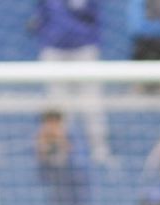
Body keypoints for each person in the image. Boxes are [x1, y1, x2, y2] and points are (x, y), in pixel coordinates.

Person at [30, 0, 110, 163]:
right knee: (57, 103)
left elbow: (93, 14)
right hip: (54, 47)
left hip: (84, 47)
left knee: (91, 101)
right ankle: (61, 149)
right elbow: (41, 14)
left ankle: (99, 148)